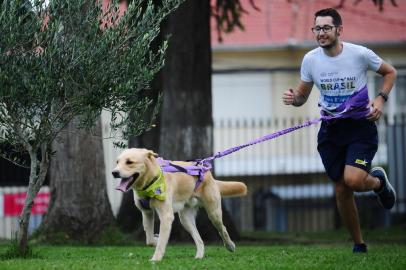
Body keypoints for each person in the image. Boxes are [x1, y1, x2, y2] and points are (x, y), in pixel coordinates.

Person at [282, 8, 397, 253]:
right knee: (341, 189)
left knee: (353, 180)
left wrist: (380, 100)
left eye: (326, 28)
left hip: (359, 127)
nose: (320, 33)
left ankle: (377, 183)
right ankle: (359, 244)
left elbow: (390, 72)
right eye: (317, 28)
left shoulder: (359, 54)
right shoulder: (310, 59)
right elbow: (303, 96)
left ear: (339, 30)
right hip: (330, 131)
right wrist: (294, 99)